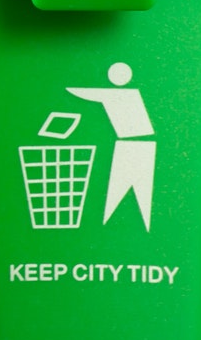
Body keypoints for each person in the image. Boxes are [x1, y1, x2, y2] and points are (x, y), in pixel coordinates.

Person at [66, 62, 156, 231]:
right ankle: (118, 229)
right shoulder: (129, 94)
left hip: (131, 147)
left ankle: (114, 229)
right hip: (138, 145)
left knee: (125, 196)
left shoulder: (121, 95)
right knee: (134, 198)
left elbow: (93, 94)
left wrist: (73, 91)